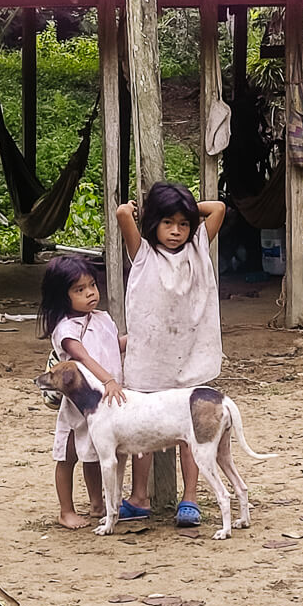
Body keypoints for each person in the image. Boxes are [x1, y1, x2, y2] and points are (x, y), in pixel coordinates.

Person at [115, 181, 227, 527]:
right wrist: (143, 211)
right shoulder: (143, 251)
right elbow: (122, 213)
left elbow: (218, 208)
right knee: (141, 432)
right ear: (153, 224)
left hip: (190, 355)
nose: (176, 231)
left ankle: (189, 499)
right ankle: (139, 497)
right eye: (167, 223)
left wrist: (186, 209)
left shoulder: (198, 245)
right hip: (150, 357)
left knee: (190, 432)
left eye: (183, 223)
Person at [38, 255, 126, 529]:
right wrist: (109, 381)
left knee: (95, 452)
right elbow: (84, 357)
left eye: (92, 285)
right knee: (68, 455)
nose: (90, 293)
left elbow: (114, 345)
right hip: (79, 404)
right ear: (62, 297)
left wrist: (140, 337)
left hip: (104, 404)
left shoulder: (103, 318)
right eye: (79, 289)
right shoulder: (65, 329)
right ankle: (66, 510)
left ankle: (97, 504)